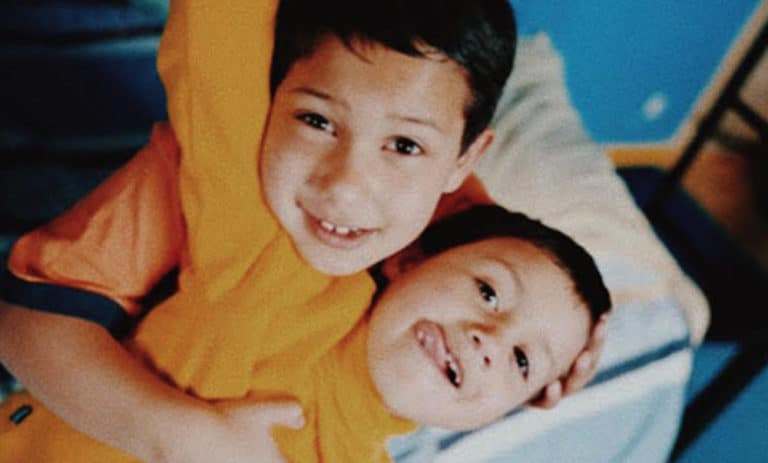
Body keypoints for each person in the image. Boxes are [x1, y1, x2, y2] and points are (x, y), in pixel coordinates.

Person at [0, 0, 606, 461]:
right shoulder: (257, 237)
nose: (347, 188)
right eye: (317, 120)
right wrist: (186, 438)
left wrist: (549, 334)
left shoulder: (416, 266)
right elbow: (26, 326)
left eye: (403, 146)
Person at [0, 204, 612, 462]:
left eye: (523, 361)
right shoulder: (282, 274)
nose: (489, 339)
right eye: (488, 292)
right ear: (408, 258)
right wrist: (192, 438)